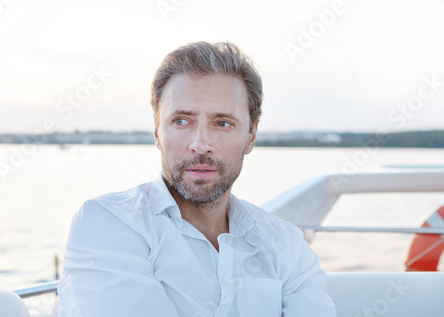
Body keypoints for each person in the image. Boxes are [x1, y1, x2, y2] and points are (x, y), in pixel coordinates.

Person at [58, 41, 336, 316]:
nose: (200, 144)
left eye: (222, 123)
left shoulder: (286, 245)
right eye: (181, 121)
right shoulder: (107, 224)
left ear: (250, 136)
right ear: (157, 132)